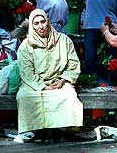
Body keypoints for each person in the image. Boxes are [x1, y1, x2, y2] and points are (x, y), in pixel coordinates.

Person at [16, 9, 83, 140]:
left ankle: (62, 129)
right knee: (25, 97)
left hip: (58, 82)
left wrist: (63, 80)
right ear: (31, 26)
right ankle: (37, 130)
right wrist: (42, 86)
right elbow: (26, 71)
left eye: (43, 22)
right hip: (33, 84)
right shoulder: (26, 46)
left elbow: (73, 65)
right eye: (36, 23)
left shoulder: (64, 41)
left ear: (48, 22)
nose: (40, 26)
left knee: (68, 96)